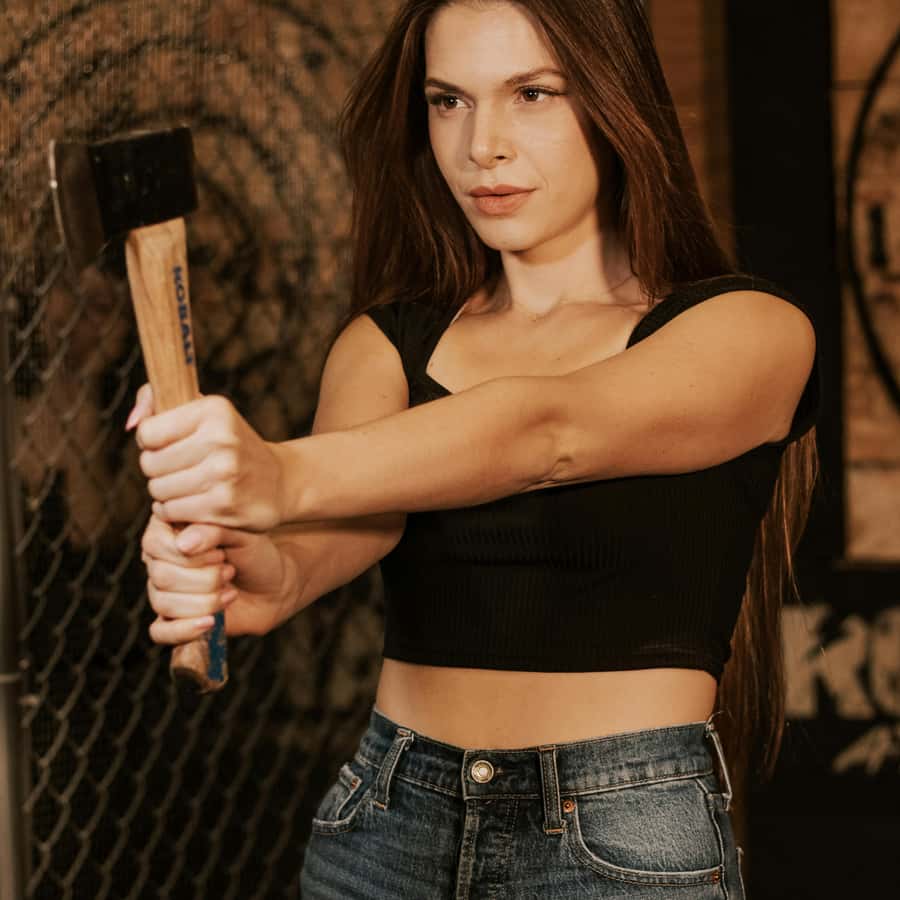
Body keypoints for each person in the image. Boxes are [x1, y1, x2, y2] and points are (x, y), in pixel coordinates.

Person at [128, 0, 822, 896]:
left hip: (616, 838)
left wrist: (277, 475)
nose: (480, 145)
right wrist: (250, 566)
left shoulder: (749, 329)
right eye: (448, 101)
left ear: (616, 106)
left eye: (532, 94)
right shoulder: (387, 342)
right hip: (386, 821)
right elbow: (351, 526)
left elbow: (548, 433)